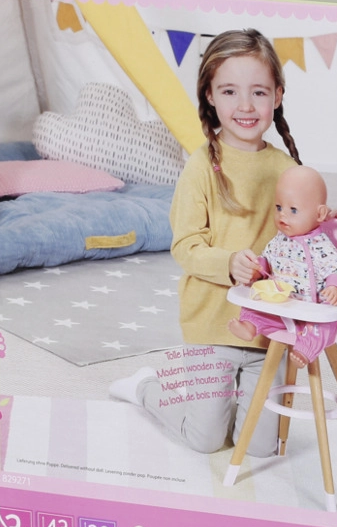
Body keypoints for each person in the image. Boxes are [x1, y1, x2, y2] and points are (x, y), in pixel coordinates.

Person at [110, 28, 306, 457]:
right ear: (210, 96)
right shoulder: (201, 166)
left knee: (260, 447)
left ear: (277, 96)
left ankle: (228, 402)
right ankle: (146, 387)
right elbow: (185, 245)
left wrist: (321, 221)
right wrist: (228, 263)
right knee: (205, 440)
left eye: (258, 92)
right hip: (210, 327)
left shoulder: (286, 168)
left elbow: (303, 234)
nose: (245, 105)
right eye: (230, 91)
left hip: (267, 330)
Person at [228, 165, 337, 369]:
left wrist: (334, 288)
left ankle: (305, 349)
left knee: (321, 327)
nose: (283, 215)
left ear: (320, 213)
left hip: (311, 310)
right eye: (278, 207)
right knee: (254, 306)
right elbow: (268, 260)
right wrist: (258, 268)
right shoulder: (279, 240)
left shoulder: (321, 245)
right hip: (281, 305)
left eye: (293, 210)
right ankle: (250, 325)